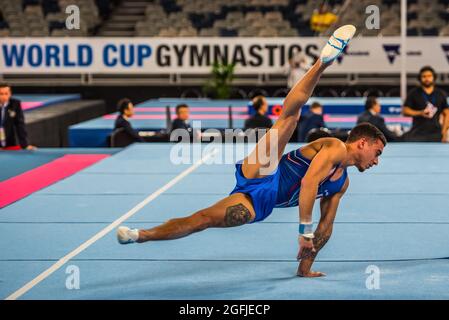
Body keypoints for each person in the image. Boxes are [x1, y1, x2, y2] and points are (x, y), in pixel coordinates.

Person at [117, 26, 383, 278]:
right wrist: (304, 231)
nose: (376, 160)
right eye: (377, 151)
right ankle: (323, 62)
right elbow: (308, 182)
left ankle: (141, 235)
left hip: (259, 202)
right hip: (268, 168)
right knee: (289, 118)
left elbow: (326, 226)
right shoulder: (334, 146)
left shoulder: (341, 183)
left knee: (202, 219)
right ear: (362, 143)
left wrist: (305, 267)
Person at [402, 66, 449, 142]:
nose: (427, 78)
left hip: (436, 133)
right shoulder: (414, 93)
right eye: (424, 76)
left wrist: (444, 132)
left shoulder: (440, 94)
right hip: (417, 133)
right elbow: (405, 111)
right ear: (420, 78)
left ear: (434, 77)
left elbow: (447, 113)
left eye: (429, 76)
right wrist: (420, 113)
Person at [0, 82, 36, 150]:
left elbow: (20, 125)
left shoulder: (15, 104)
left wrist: (25, 145)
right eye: (1, 94)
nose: (4, 96)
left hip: (9, 141)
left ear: (10, 94)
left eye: (6, 93)